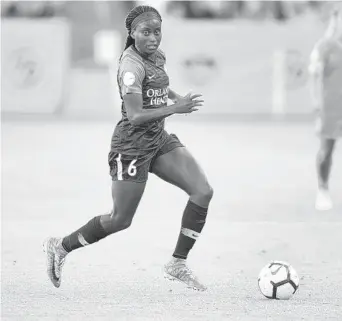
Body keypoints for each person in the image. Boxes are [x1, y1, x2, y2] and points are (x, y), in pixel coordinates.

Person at [43, 5, 213, 291]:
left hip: (157, 139)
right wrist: (176, 107)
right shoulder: (130, 67)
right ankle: (61, 246)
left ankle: (178, 263)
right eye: (145, 32)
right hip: (132, 147)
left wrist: (175, 97)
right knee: (120, 219)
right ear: (132, 33)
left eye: (157, 31)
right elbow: (134, 115)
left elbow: (158, 84)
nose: (153, 37)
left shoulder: (157, 56)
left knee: (203, 191)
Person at [309, 7, 342, 211]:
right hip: (332, 107)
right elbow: (314, 75)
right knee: (327, 149)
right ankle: (322, 189)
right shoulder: (326, 46)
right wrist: (316, 103)